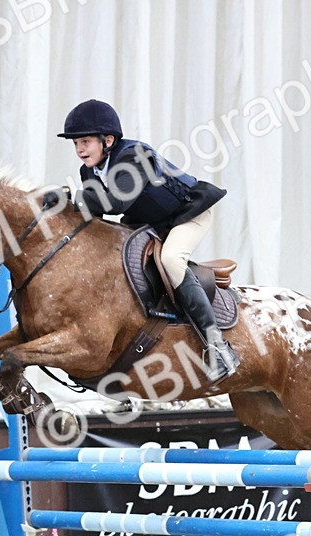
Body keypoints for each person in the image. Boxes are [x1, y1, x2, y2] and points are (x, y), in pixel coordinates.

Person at [57, 99, 240, 384]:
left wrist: (71, 196)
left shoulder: (134, 155)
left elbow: (115, 202)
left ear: (108, 140)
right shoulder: (89, 171)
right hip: (150, 219)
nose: (80, 150)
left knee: (170, 259)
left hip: (187, 213)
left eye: (85, 142)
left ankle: (218, 346)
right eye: (75, 144)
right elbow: (94, 211)